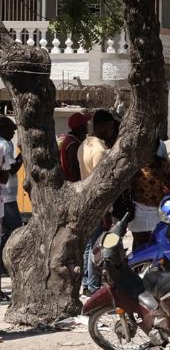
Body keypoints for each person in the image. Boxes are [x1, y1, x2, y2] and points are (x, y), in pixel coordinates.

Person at [78, 110, 118, 294]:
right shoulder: (100, 150)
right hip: (98, 204)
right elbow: (101, 182)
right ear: (101, 126)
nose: (112, 131)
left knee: (89, 245)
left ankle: (87, 282)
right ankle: (93, 285)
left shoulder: (84, 145)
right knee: (97, 247)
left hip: (85, 200)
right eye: (110, 127)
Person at [130, 140, 170, 247]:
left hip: (159, 211)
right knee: (139, 244)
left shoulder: (163, 164)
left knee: (158, 242)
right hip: (139, 210)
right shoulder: (134, 165)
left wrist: (162, 177)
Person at [0, 117, 23, 290]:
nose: (13, 133)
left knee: (6, 231)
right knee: (15, 230)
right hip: (6, 196)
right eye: (11, 129)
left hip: (6, 196)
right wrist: (23, 154)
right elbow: (11, 170)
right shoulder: (5, 145)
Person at [59, 112, 89, 183]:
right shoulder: (72, 145)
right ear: (81, 128)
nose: (87, 128)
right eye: (86, 125)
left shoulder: (70, 140)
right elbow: (74, 171)